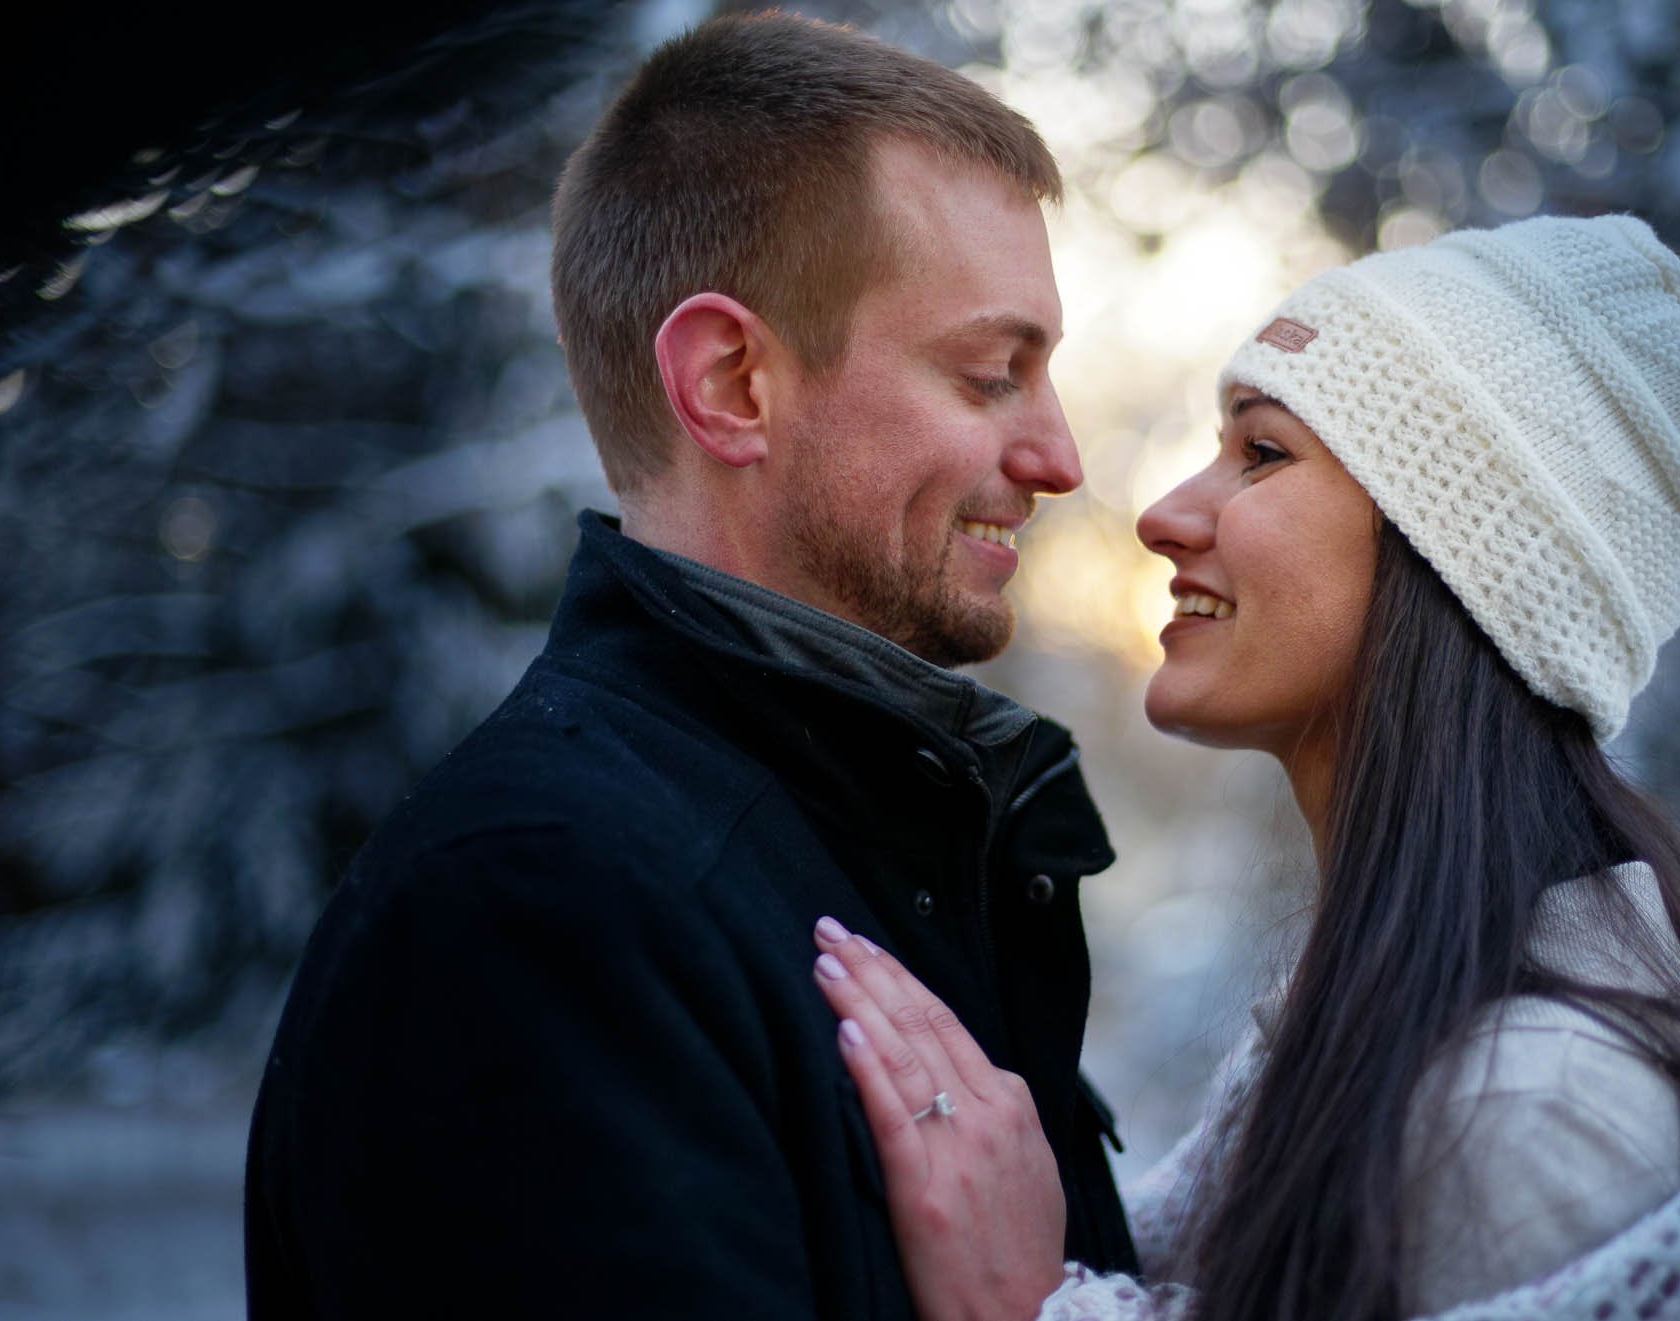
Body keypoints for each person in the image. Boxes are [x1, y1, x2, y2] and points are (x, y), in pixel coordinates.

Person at [243, 13, 1139, 1317]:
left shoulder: (866, 849)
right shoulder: (542, 912)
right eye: (991, 373)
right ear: (733, 384)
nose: (1060, 455)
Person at [809, 215, 1680, 1319]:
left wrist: (1023, 1305)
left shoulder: (1532, 1112)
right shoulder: (1393, 1021)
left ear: (1455, 563)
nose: (1161, 516)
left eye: (1260, 453)